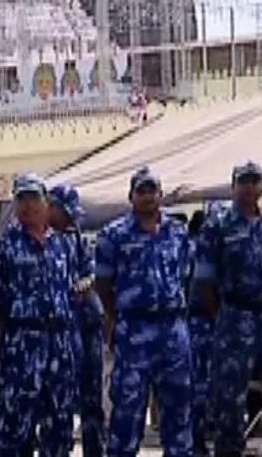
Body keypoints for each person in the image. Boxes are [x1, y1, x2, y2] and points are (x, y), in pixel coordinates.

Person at [194, 160, 262, 457]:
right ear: (233, 186)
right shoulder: (218, 225)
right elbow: (204, 280)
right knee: (230, 393)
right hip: (236, 316)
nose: (250, 188)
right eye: (244, 182)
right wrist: (223, 315)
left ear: (261, 186)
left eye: (255, 181)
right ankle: (229, 448)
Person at [94, 168, 194, 457]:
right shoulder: (114, 235)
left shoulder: (178, 232)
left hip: (173, 333)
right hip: (134, 333)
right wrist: (116, 316)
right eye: (142, 191)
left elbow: (185, 275)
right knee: (127, 412)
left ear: (161, 195)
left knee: (178, 409)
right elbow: (103, 284)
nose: (148, 196)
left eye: (153, 190)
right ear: (131, 196)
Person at [0, 173, 77, 457]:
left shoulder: (62, 244)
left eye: (34, 198)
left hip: (58, 344)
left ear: (46, 202)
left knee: (59, 422)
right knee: (15, 424)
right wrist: (6, 325)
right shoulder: (3, 245)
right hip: (22, 343)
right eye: (21, 199)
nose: (28, 206)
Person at [47, 183, 105, 457]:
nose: (70, 219)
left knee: (92, 398)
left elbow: (91, 272)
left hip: (87, 324)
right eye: (65, 212)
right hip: (62, 329)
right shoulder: (42, 240)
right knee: (61, 401)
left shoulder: (75, 235)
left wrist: (86, 283)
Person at [186, 208, 214, 456]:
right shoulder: (194, 251)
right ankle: (196, 440)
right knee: (199, 386)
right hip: (198, 323)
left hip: (209, 322)